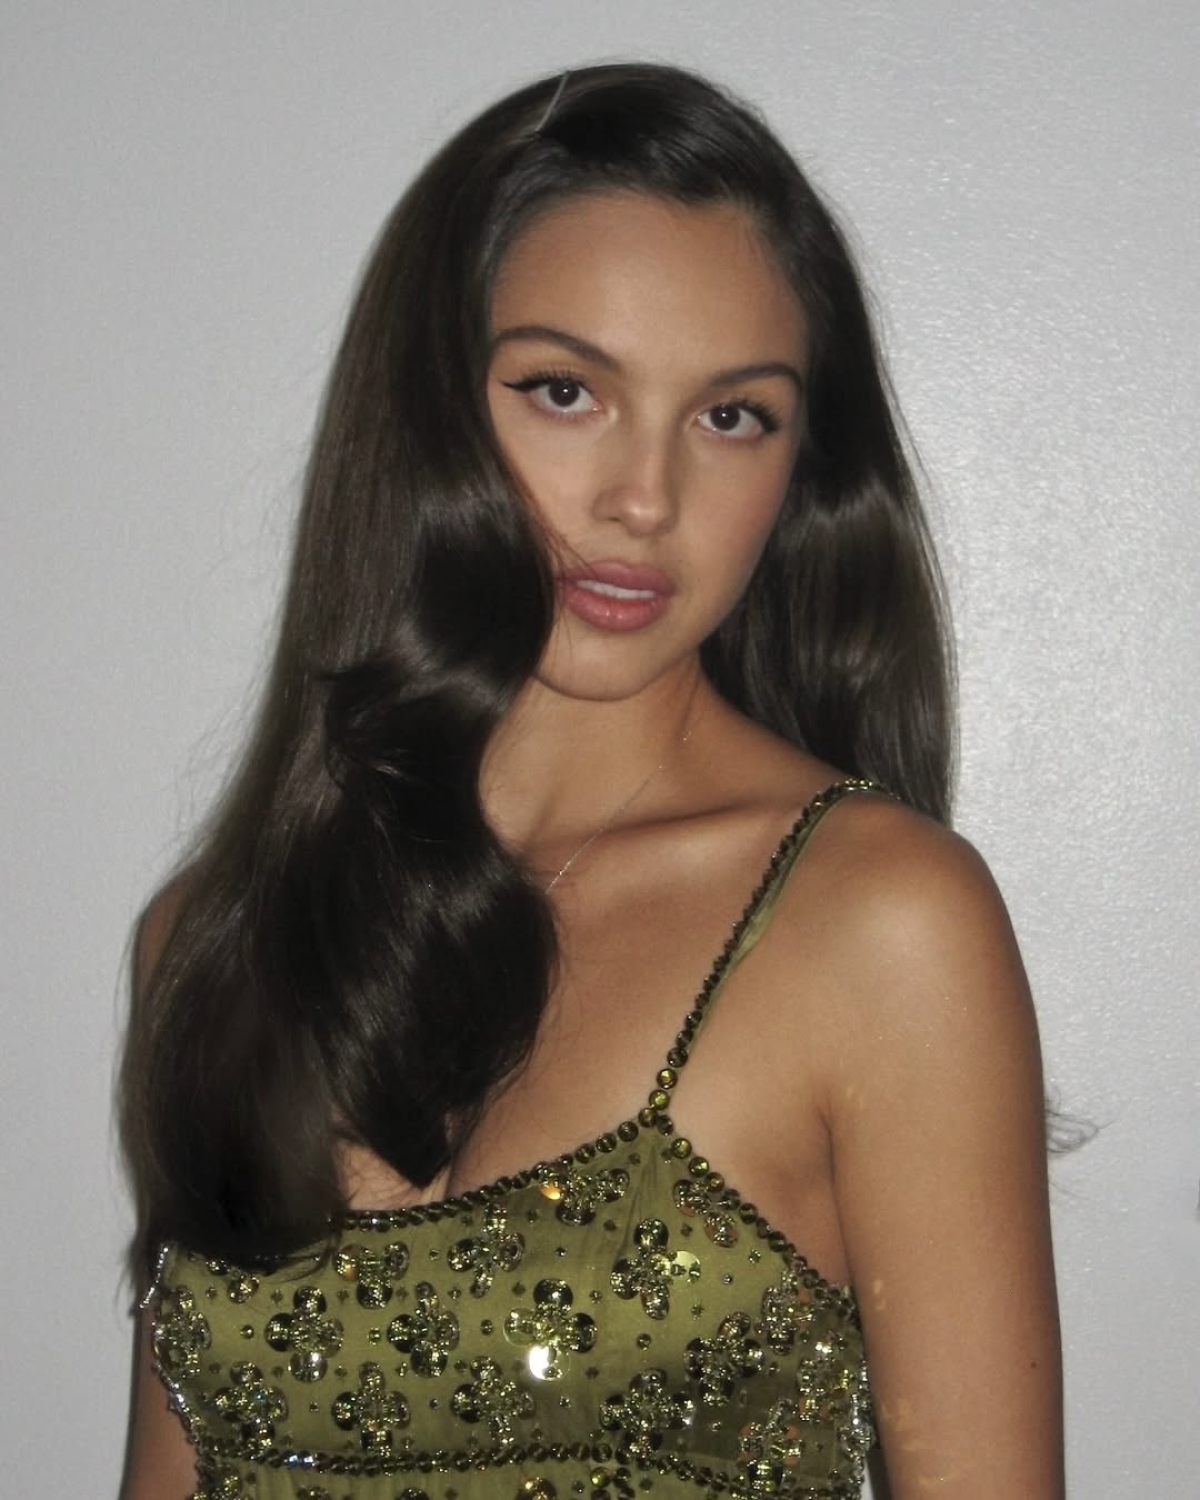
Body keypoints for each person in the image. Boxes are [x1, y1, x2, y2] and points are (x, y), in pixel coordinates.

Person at [118, 62, 1062, 1500]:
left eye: (732, 416)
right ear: (427, 411)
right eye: (565, 391)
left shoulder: (880, 921)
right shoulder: (215, 940)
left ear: (802, 472)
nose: (644, 499)